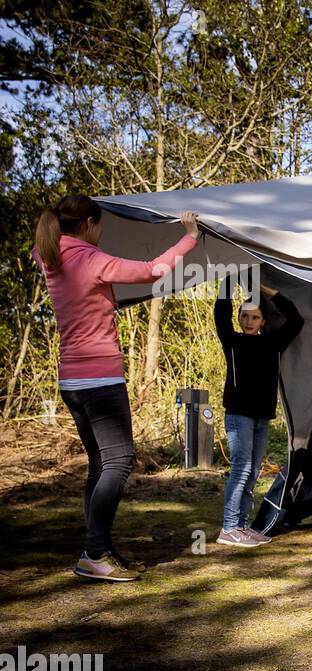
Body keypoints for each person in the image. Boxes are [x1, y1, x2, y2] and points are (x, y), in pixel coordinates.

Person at [32, 195, 201, 582]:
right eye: (101, 224)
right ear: (89, 223)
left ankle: (100, 547)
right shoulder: (89, 259)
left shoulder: (49, 256)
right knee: (119, 462)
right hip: (99, 379)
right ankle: (94, 553)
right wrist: (189, 235)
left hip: (71, 380)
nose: (103, 231)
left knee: (99, 464)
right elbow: (154, 269)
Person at [214, 277, 304, 547]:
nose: (249, 321)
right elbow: (220, 312)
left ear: (263, 321)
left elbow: (296, 319)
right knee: (241, 470)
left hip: (262, 417)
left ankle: (241, 526)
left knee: (252, 471)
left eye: (255, 317)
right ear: (240, 318)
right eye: (245, 316)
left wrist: (267, 290)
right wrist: (228, 282)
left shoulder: (273, 343)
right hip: (238, 415)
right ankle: (229, 528)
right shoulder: (231, 341)